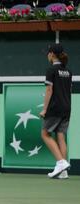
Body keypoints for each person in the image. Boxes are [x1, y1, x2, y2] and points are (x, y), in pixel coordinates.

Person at [40, 43, 72, 179]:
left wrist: (44, 109)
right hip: (66, 108)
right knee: (60, 136)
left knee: (45, 134)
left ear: (52, 54)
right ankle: (63, 171)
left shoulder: (51, 70)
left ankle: (60, 162)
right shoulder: (68, 71)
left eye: (48, 52)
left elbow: (49, 90)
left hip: (54, 108)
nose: (48, 55)